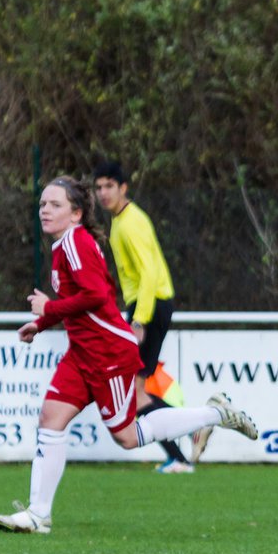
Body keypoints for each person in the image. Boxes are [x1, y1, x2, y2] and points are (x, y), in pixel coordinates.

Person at [0, 176, 259, 535]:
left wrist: (49, 311)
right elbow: (83, 303)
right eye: (42, 204)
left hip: (107, 354)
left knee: (128, 436)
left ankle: (217, 412)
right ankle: (39, 515)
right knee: (50, 419)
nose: (45, 210)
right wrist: (42, 323)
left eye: (55, 204)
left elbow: (97, 296)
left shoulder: (75, 243)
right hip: (81, 354)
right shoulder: (64, 245)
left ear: (76, 213)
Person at [93, 160, 202, 473]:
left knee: (135, 393)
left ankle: (190, 439)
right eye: (99, 187)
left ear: (123, 187)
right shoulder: (121, 221)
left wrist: (138, 319)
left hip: (150, 306)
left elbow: (150, 271)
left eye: (109, 186)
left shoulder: (130, 222)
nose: (103, 193)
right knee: (135, 392)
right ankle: (182, 449)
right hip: (147, 305)